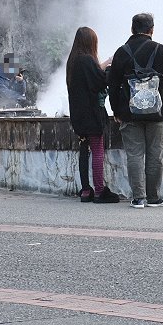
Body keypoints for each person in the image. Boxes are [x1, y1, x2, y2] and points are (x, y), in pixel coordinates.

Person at [108, 12, 163, 209]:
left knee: (134, 155)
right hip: (157, 114)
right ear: (151, 30)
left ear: (132, 29)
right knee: (155, 155)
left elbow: (112, 85)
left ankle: (138, 198)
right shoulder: (161, 50)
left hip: (129, 114)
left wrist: (116, 111)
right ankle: (154, 198)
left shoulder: (122, 52)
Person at [66, 27, 120, 204]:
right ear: (90, 42)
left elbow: (91, 76)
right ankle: (99, 191)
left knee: (84, 150)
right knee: (97, 150)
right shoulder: (87, 60)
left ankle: (86, 190)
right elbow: (99, 81)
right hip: (92, 113)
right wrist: (110, 69)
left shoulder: (73, 61)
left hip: (78, 114)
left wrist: (103, 64)